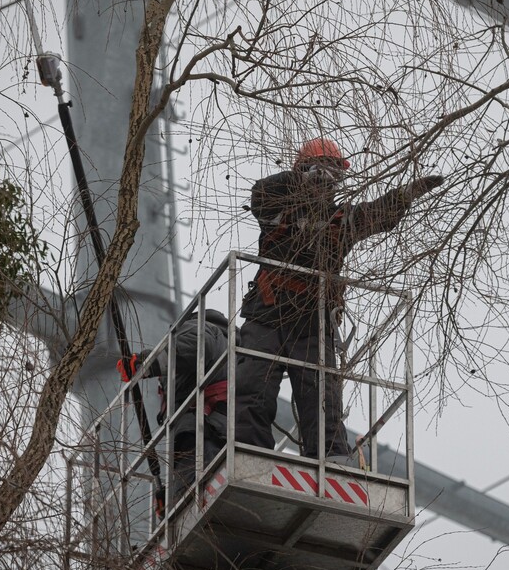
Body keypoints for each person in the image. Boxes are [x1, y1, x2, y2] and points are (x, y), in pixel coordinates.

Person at [235, 137, 443, 462]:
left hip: (313, 322)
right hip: (268, 314)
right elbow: (261, 193)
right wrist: (299, 178)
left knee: (322, 399)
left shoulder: (341, 221)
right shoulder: (278, 209)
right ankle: (249, 454)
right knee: (251, 388)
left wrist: (404, 196)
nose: (325, 180)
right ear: (301, 171)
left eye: (333, 174)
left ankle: (330, 460)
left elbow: (377, 215)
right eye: (317, 171)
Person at [118, 309, 233, 491]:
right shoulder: (234, 348)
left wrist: (145, 364)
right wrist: (167, 499)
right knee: (189, 499)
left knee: (192, 500)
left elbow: (195, 345)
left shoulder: (198, 326)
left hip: (203, 433)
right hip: (217, 433)